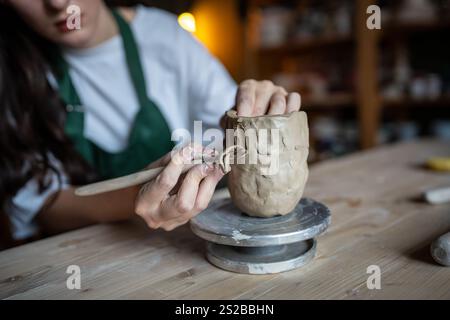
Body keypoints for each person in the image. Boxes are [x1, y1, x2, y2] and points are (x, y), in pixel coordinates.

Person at [0, 0, 302, 244]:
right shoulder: (13, 73)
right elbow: (42, 208)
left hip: (182, 245)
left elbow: (229, 122)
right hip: (84, 254)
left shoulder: (165, 36)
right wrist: (135, 196)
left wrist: (258, 107)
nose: (57, 3)